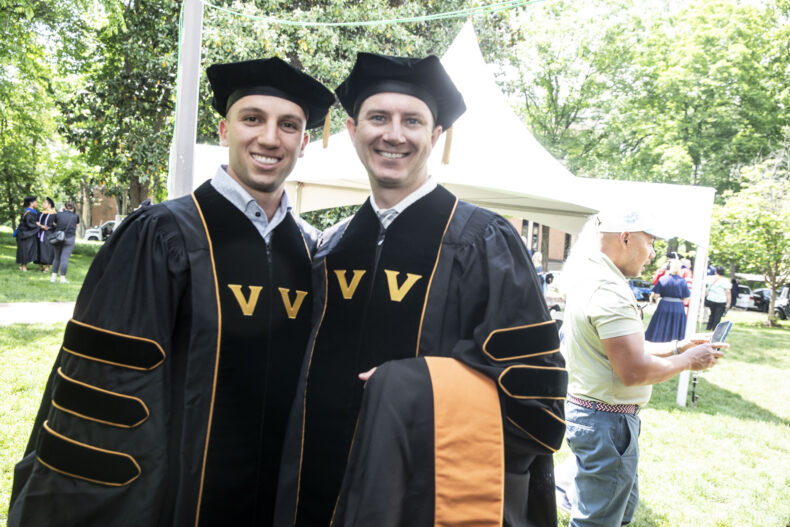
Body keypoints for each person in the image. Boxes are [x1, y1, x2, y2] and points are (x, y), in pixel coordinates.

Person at [8, 57, 335, 527]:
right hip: (171, 499)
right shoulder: (162, 235)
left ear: (303, 144)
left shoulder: (309, 251)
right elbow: (109, 389)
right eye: (252, 119)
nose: (269, 138)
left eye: (287, 125)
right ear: (224, 130)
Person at [275, 53, 566, 527]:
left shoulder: (485, 242)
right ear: (352, 130)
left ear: (434, 136)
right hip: (315, 490)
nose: (394, 134)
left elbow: (538, 402)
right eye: (378, 117)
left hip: (424, 496)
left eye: (412, 120)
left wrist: (411, 389)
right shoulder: (331, 248)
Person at [558, 211, 726, 527]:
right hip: (606, 422)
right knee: (598, 521)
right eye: (649, 243)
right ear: (626, 238)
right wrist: (691, 361)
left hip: (600, 418)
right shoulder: (609, 290)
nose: (652, 255)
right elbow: (633, 370)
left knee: (616, 515)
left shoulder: (593, 277)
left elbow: (623, 350)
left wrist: (680, 347)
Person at [645, 259, 690, 342]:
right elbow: (686, 298)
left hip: (664, 305)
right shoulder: (682, 281)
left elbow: (657, 295)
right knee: (675, 325)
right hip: (678, 307)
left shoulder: (663, 279)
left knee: (661, 323)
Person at [49, 201, 80, 283]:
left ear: (65, 207)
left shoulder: (58, 214)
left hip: (58, 238)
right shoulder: (76, 216)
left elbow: (54, 223)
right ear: (73, 208)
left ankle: (53, 278)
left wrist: (60, 211)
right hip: (70, 238)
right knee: (64, 259)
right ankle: (62, 278)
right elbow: (76, 225)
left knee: (56, 258)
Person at [15, 196, 39, 271]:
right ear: (31, 203)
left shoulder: (30, 211)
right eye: (35, 202)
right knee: (25, 250)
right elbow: (29, 224)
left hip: (24, 233)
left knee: (24, 249)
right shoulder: (29, 212)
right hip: (25, 233)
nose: (37, 203)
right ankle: (24, 267)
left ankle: (22, 266)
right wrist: (39, 226)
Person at [705, 265, 732, 330]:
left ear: (716, 271)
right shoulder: (725, 280)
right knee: (718, 315)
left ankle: (709, 327)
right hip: (721, 300)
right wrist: (729, 302)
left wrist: (707, 295)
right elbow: (728, 292)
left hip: (711, 298)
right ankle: (715, 328)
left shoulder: (710, 278)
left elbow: (705, 287)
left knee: (712, 313)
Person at [35, 197, 57, 273]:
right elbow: (36, 222)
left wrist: (49, 228)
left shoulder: (54, 214)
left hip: (48, 234)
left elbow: (56, 225)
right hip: (39, 233)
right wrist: (38, 224)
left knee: (47, 249)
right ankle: (40, 265)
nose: (43, 204)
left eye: (45, 202)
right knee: (39, 248)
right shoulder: (40, 213)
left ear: (49, 204)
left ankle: (47, 266)